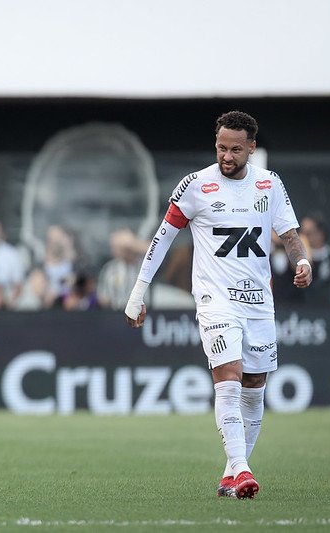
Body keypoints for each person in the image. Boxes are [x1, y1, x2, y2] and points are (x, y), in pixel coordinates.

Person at [124, 111, 312, 500]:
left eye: (235, 150)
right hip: (216, 300)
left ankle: (230, 476)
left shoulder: (269, 183)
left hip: (258, 301)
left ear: (252, 148)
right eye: (221, 147)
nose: (227, 156)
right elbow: (162, 239)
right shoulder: (196, 185)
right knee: (228, 375)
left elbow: (289, 234)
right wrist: (138, 292)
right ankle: (243, 470)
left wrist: (303, 262)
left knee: (254, 386)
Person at [299, 213, 330, 305]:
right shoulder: (295, 260)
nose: (303, 239)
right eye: (301, 234)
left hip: (326, 309)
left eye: (308, 234)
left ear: (320, 234)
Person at [97, 228, 149, 310]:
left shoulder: (145, 264)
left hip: (144, 312)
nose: (114, 250)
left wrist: (132, 244)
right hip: (116, 313)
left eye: (118, 246)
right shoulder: (110, 268)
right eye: (113, 247)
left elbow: (156, 251)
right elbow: (102, 297)